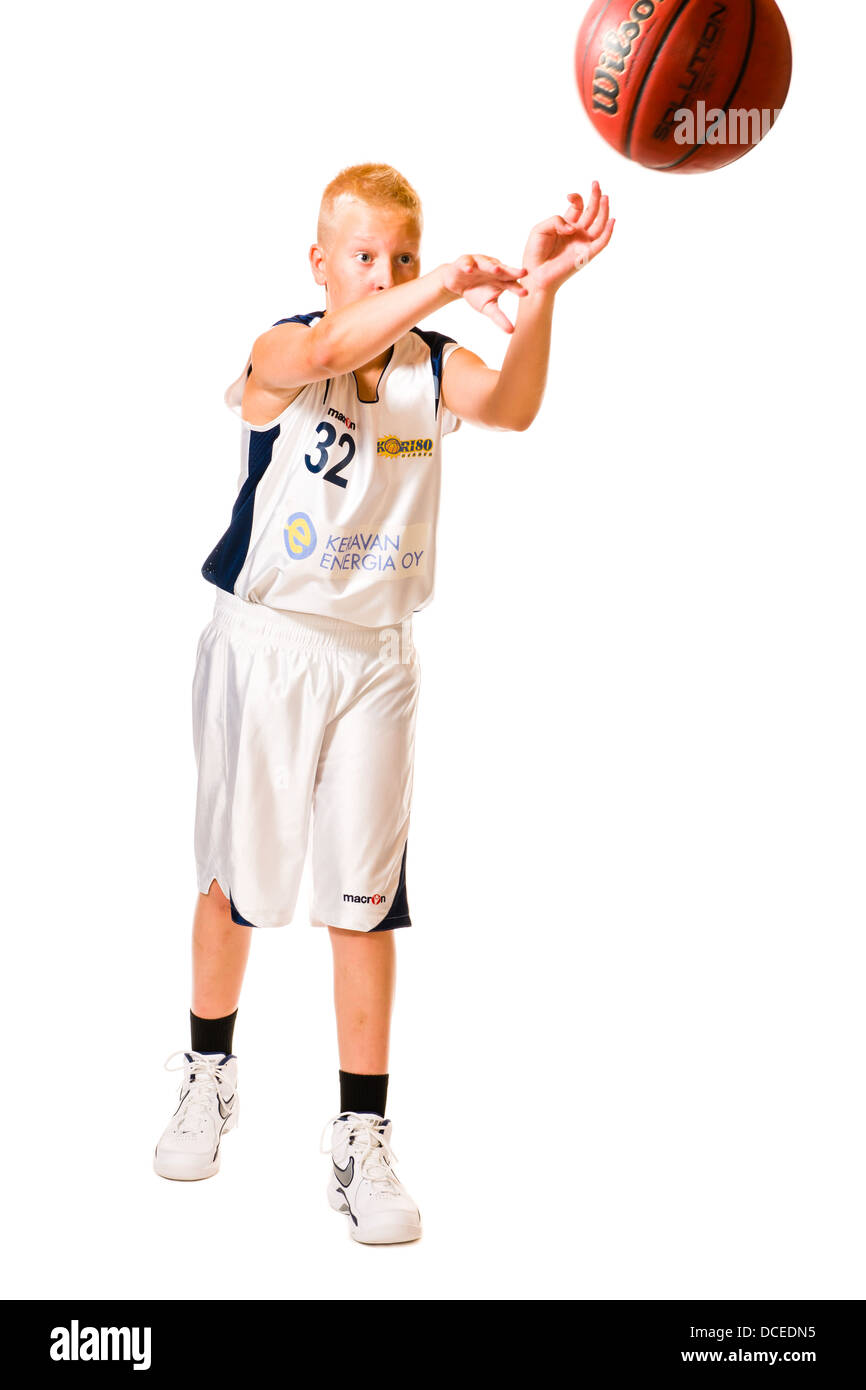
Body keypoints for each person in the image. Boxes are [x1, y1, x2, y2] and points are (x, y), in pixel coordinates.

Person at [153, 162, 614, 1244]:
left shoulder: (429, 363)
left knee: (364, 902)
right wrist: (451, 278)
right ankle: (205, 1071)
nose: (386, 272)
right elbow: (318, 353)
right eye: (365, 256)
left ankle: (360, 1138)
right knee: (235, 883)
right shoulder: (285, 347)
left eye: (402, 257)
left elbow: (514, 406)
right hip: (266, 643)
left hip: (375, 658)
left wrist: (539, 290)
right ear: (320, 263)